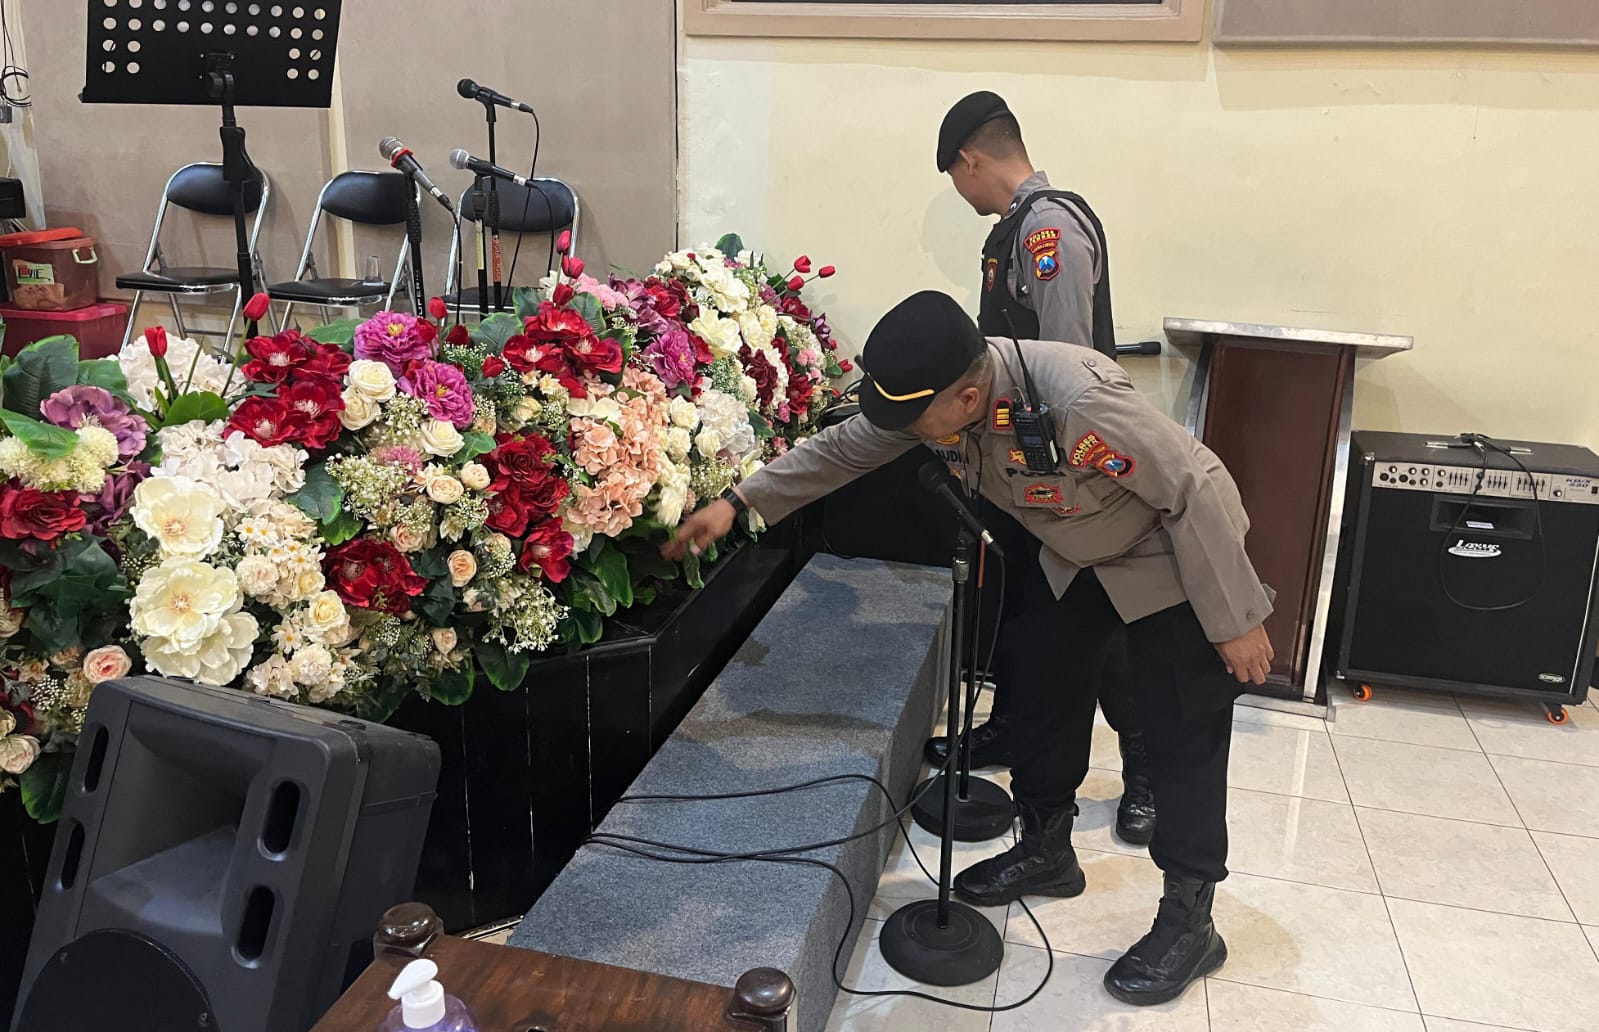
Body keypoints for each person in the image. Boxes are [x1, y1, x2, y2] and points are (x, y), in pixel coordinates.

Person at [664, 292, 1274, 1005]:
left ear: (967, 397)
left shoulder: (1076, 401)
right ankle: (1047, 850)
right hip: (1076, 553)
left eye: (912, 417)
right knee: (1040, 685)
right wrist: (739, 502)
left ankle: (1191, 921)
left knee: (1182, 730)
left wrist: (1234, 618)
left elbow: (1191, 489)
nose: (900, 430)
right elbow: (845, 447)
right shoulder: (943, 401)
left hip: (1169, 551)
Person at [923, 89, 1155, 848]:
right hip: (1020, 469)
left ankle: (1146, 769)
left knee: (1099, 624)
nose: (959, 193)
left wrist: (1053, 480)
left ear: (971, 159)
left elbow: (1067, 367)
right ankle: (1013, 730)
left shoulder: (1049, 228)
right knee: (1024, 609)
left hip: (1068, 473)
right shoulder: (1015, 229)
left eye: (954, 177)